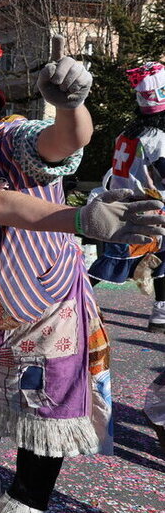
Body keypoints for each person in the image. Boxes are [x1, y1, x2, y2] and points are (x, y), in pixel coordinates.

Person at [0, 11, 150, 513]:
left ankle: (26, 506)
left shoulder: (11, 136)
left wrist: (72, 107)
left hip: (50, 316)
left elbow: (61, 144)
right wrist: (80, 217)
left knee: (49, 417)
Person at [88, 62, 165, 333]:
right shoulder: (158, 138)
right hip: (144, 207)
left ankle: (161, 311)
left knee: (162, 255)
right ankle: (70, 299)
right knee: (115, 261)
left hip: (124, 201)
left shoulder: (128, 133)